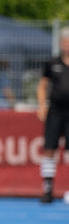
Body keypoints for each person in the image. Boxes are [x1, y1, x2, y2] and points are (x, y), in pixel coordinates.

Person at [37, 27, 69, 203]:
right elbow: (42, 85)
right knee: (50, 148)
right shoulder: (52, 62)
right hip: (55, 111)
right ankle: (47, 189)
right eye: (65, 43)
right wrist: (42, 105)